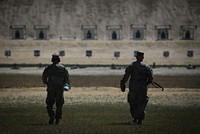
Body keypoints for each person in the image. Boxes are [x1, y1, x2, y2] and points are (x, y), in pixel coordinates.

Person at [120, 51, 153, 125]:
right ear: (142, 57)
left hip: (133, 89)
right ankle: (139, 119)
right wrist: (145, 84)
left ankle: (135, 117)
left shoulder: (131, 65)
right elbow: (151, 78)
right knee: (141, 104)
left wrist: (122, 83)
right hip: (142, 89)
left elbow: (126, 76)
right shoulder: (147, 67)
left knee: (132, 103)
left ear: (136, 57)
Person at [42, 54, 70, 125]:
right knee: (59, 104)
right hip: (59, 88)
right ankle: (57, 118)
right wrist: (65, 85)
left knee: (49, 103)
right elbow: (66, 79)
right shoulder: (62, 68)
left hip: (51, 88)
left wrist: (47, 83)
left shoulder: (48, 68)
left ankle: (51, 115)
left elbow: (44, 78)